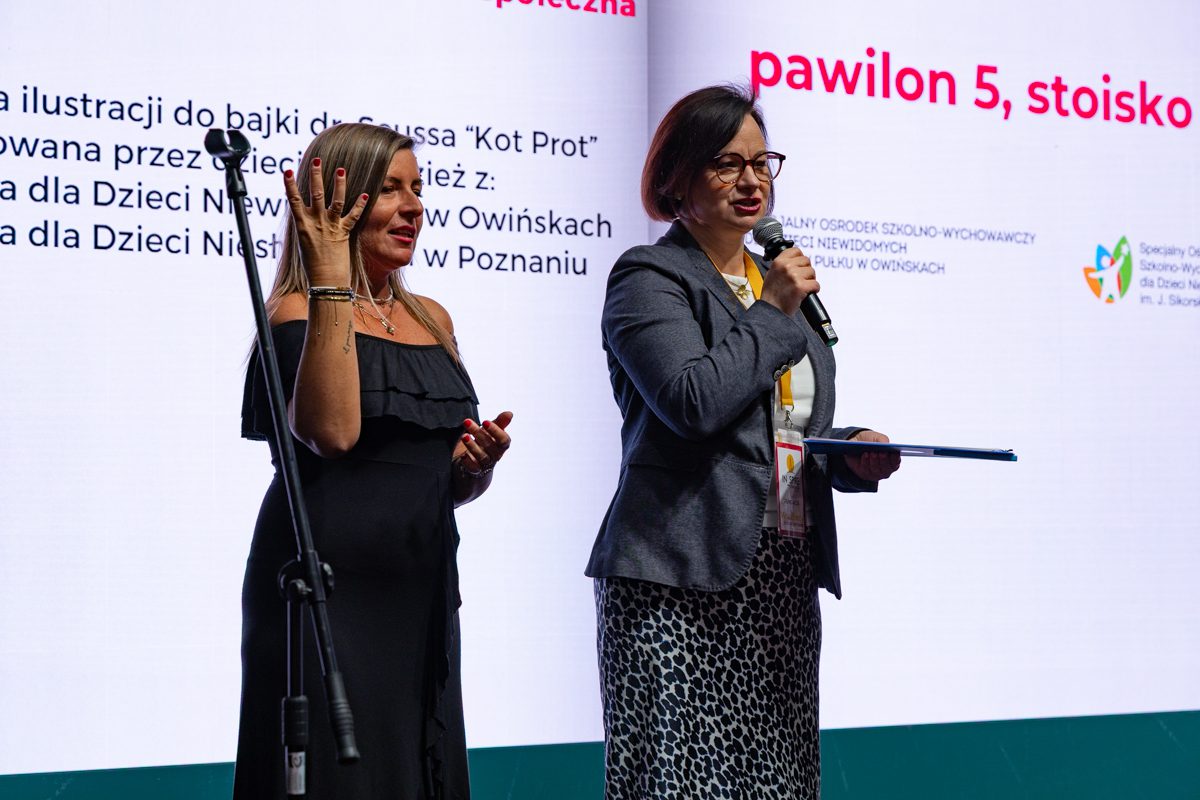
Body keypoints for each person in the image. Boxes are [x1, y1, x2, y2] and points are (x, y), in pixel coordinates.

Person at [586, 85, 900, 799]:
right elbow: (693, 402)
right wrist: (776, 308)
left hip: (780, 578)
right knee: (679, 783)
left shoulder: (771, 282)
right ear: (677, 179)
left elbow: (784, 428)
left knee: (781, 785)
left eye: (762, 163)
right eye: (726, 163)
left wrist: (850, 450)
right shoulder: (649, 277)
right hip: (678, 579)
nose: (752, 180)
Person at [234, 122, 512, 799]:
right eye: (390, 189)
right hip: (328, 595)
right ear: (337, 204)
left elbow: (438, 478)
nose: (414, 207)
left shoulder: (434, 318)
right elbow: (332, 434)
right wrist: (332, 278)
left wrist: (473, 466)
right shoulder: (294, 312)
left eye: (418, 189)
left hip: (420, 588)